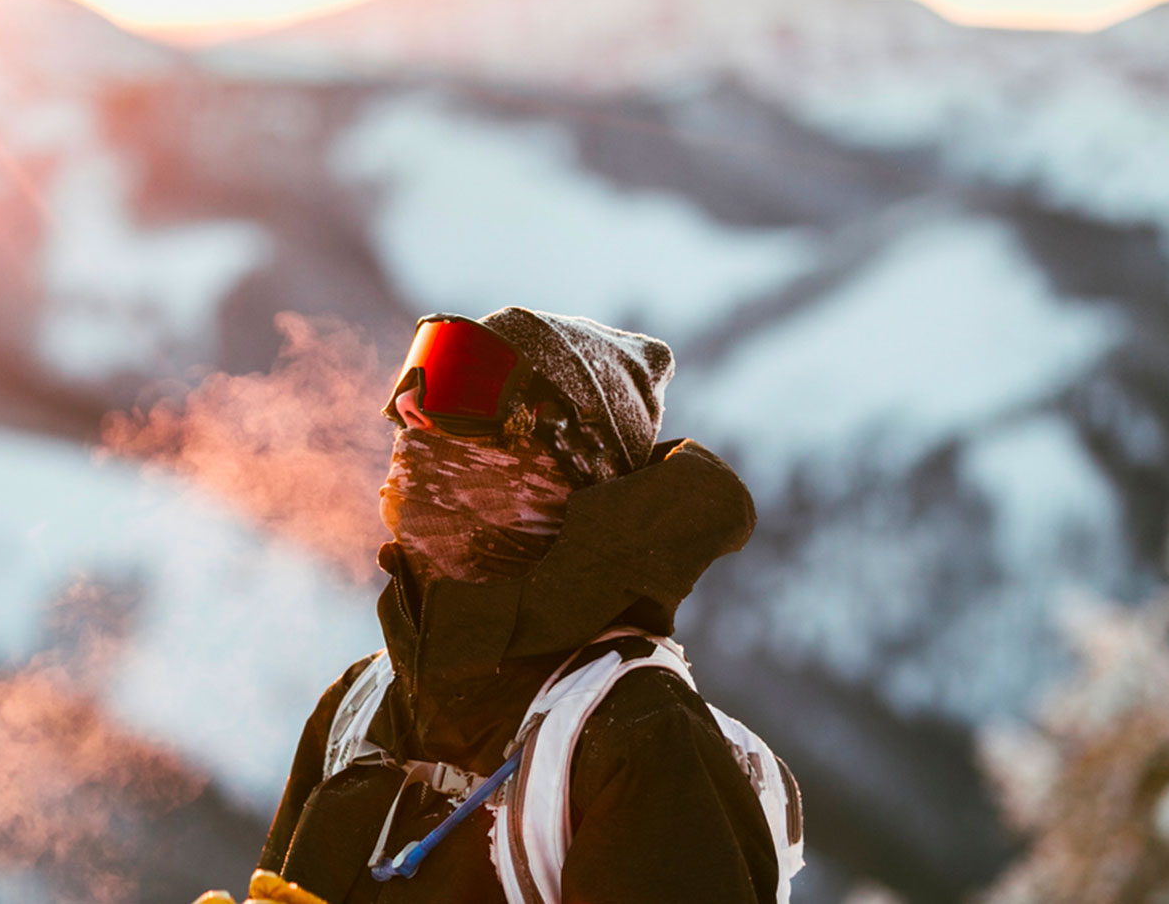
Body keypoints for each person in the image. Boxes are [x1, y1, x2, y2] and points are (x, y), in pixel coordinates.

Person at [222, 306, 800, 904]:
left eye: (464, 385)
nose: (410, 410)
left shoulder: (640, 735)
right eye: (413, 378)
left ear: (571, 461)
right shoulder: (358, 707)